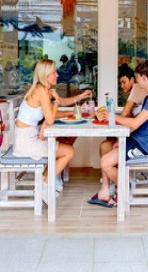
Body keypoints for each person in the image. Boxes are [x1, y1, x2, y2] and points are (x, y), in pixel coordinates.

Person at [89, 60, 148, 208]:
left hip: (144, 146)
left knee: (105, 162)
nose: (137, 82)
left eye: (137, 78)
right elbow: (141, 125)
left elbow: (136, 123)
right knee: (105, 146)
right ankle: (105, 191)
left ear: (144, 77)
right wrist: (123, 140)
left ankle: (124, 185)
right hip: (138, 140)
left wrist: (113, 117)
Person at [13, 59, 91, 197]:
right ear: (45, 74)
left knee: (65, 143)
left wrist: (80, 97)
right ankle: (44, 184)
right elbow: (50, 119)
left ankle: (45, 180)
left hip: (29, 137)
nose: (57, 75)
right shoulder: (41, 90)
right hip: (26, 142)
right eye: (54, 72)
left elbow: (61, 103)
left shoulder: (43, 89)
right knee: (68, 151)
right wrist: (56, 102)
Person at [98, 64, 148, 189]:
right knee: (105, 144)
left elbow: (124, 114)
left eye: (124, 82)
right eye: (120, 83)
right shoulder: (136, 90)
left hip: (139, 139)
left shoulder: (136, 88)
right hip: (136, 134)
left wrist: (113, 117)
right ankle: (109, 181)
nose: (122, 86)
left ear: (132, 79)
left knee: (106, 145)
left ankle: (116, 182)